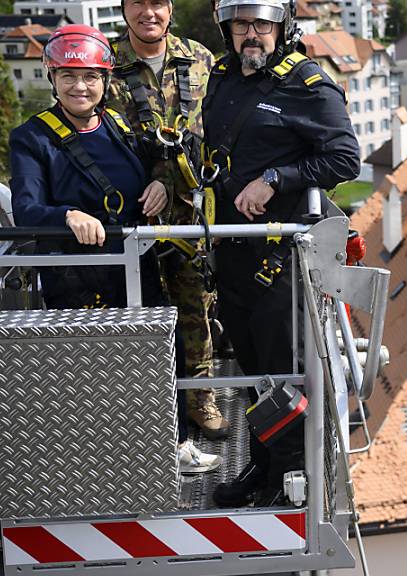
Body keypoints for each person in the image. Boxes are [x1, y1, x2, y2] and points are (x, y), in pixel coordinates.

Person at [9, 24, 222, 474]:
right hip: (78, 275)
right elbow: (27, 209)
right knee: (93, 375)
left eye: (90, 76)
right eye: (68, 76)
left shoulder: (118, 125)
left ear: (106, 80)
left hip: (136, 264)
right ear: (52, 78)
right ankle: (100, 461)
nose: (80, 86)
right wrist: (66, 216)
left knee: (154, 360)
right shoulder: (33, 138)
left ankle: (173, 446)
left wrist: (159, 185)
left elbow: (152, 168)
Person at [203, 0, 359, 506]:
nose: (252, 35)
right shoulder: (222, 76)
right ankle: (264, 465)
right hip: (231, 251)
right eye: (241, 25)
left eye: (262, 25)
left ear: (281, 27)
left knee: (282, 374)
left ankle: (289, 483)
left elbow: (344, 157)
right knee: (251, 371)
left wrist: (276, 179)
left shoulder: (308, 84)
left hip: (279, 259)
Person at [107, 0, 230, 440]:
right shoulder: (105, 65)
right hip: (133, 206)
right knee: (138, 309)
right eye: (137, 2)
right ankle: (147, 407)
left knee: (193, 306)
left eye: (157, 2)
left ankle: (200, 398)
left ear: (170, 8)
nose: (148, 12)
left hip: (190, 210)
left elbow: (216, 128)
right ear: (123, 9)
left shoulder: (199, 59)